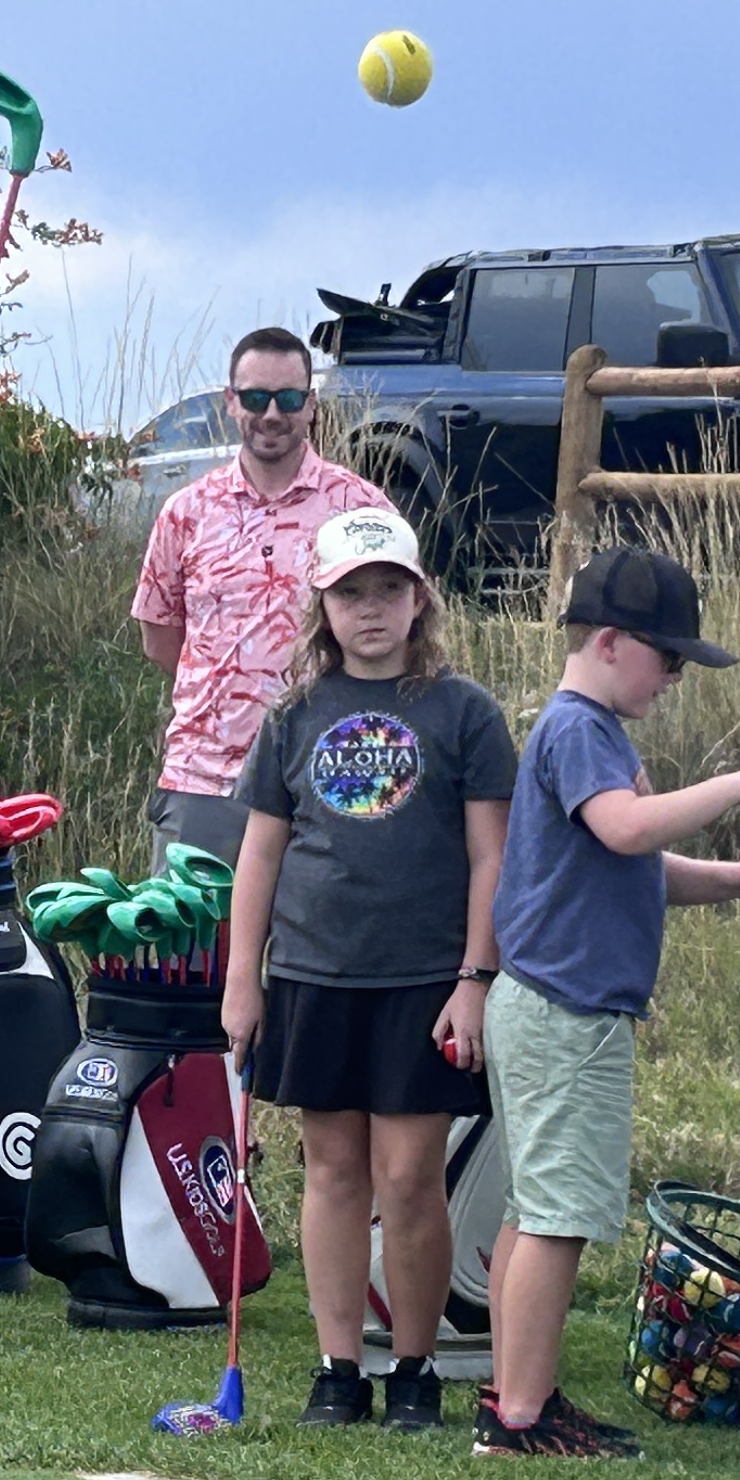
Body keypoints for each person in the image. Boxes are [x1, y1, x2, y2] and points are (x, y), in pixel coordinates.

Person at [477, 544, 740, 1457]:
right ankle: (522, 1419)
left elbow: (634, 867)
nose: (672, 679)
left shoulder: (592, 734)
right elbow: (626, 830)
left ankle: (513, 1396)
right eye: (668, 659)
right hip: (567, 1013)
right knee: (559, 1217)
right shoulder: (581, 728)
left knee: (529, 1208)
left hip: (540, 1004)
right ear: (613, 642)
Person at [221, 507, 514, 1430]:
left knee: (408, 1178)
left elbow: (489, 859)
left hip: (425, 980)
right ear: (324, 605)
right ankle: (337, 1369)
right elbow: (260, 858)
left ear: (420, 597)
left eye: (390, 588)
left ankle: (415, 1369)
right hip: (313, 973)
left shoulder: (464, 712)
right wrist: (243, 978)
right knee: (332, 1172)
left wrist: (475, 978)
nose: (372, 608)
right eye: (352, 591)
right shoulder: (293, 717)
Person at [129, 326, 393, 864]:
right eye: (255, 398)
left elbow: (396, 628)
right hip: (203, 779)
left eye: (289, 398)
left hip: (325, 774)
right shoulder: (186, 511)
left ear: (310, 405)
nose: (272, 413)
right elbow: (160, 639)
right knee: (192, 947)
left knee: (318, 948)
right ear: (232, 403)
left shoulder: (361, 509)